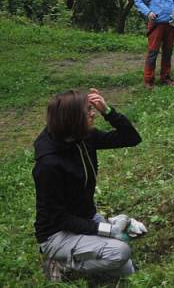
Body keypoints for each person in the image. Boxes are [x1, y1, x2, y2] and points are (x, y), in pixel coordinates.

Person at [33, 88, 142, 281]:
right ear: (72, 119)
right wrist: (106, 230)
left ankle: (92, 261)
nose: (93, 114)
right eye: (88, 111)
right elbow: (58, 218)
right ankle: (62, 265)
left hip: (84, 218)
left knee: (127, 269)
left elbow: (131, 139)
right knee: (120, 252)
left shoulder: (83, 137)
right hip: (56, 234)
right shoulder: (48, 165)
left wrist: (108, 112)